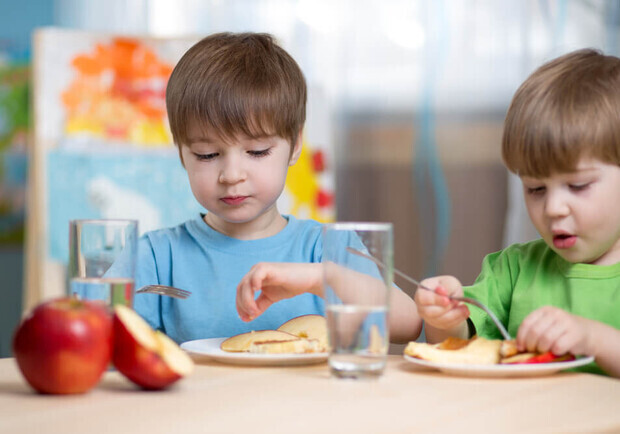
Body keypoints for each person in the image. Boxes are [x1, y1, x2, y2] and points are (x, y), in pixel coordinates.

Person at [134, 32, 421, 345]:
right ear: (182, 154)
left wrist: (322, 277)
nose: (231, 175)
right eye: (207, 154)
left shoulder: (325, 249)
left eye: (257, 152)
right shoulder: (156, 257)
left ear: (295, 145)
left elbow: (408, 325)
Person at [414, 49, 620, 377]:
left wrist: (593, 338)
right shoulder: (511, 270)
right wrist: (444, 319)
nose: (553, 208)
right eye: (536, 189)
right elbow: (455, 347)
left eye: (578, 185)